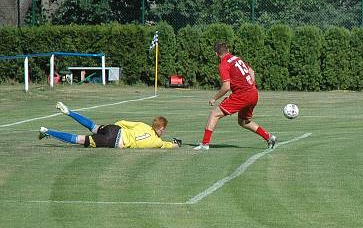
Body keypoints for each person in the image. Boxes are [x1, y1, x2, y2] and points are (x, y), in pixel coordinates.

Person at [194, 42, 276, 150]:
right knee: (244, 121)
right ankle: (269, 137)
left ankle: (205, 144)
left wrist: (214, 98)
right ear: (227, 50)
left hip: (242, 95)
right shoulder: (237, 59)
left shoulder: (224, 64)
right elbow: (251, 71)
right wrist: (251, 86)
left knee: (214, 114)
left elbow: (226, 86)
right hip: (253, 93)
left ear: (216, 54)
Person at [38, 102, 180, 149]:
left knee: (93, 126)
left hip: (114, 129)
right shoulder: (157, 141)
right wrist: (175, 144)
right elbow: (166, 145)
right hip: (113, 141)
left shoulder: (143, 125)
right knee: (79, 139)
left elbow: (123, 122)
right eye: (164, 129)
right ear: (161, 128)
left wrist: (112, 127)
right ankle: (48, 131)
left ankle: (69, 112)